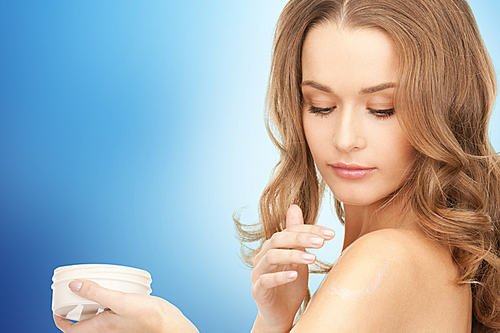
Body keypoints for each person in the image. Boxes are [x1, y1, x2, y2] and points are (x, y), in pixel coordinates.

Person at [54, 0, 500, 332]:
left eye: (383, 109)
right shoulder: (429, 258)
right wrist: (274, 321)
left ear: (446, 108)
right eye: (321, 105)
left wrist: (168, 327)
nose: (345, 139)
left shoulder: (387, 260)